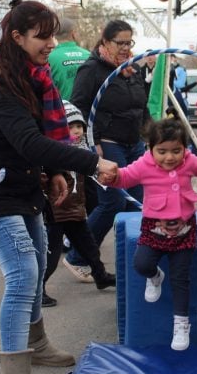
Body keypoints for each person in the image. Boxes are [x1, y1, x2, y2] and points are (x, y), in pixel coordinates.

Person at [0, 0, 117, 374]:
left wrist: (57, 171)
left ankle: (39, 345)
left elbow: (35, 142)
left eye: (52, 35)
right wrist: (92, 163)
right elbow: (29, 142)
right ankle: (16, 371)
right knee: (23, 275)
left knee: (39, 263)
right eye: (41, 36)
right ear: (17, 37)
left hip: (23, 186)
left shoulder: (30, 76)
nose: (50, 43)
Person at [98, 118, 197, 351]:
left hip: (185, 229)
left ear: (185, 149)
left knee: (180, 279)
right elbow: (125, 177)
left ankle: (181, 324)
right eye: (162, 151)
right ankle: (155, 276)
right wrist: (111, 177)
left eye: (176, 151)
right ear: (150, 148)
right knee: (141, 264)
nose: (170, 157)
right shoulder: (144, 165)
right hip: (153, 228)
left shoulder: (188, 162)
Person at [63, 19, 150, 282]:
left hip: (133, 143)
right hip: (107, 143)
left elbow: (141, 108)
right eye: (120, 43)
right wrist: (93, 141)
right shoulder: (91, 70)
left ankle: (139, 262)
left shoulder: (131, 70)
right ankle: (78, 255)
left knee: (138, 202)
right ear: (105, 42)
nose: (125, 48)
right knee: (113, 201)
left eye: (129, 42)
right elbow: (78, 107)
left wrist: (156, 137)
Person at [42, 101, 116, 308]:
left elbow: (91, 180)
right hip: (56, 212)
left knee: (89, 246)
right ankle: (38, 289)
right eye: (70, 127)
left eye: (79, 127)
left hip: (74, 210)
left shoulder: (82, 152)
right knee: (52, 253)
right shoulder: (54, 154)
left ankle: (100, 275)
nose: (76, 131)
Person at [47, 17, 91, 100]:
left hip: (63, 110)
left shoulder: (49, 58)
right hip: (88, 110)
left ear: (55, 36)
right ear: (73, 33)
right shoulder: (88, 55)